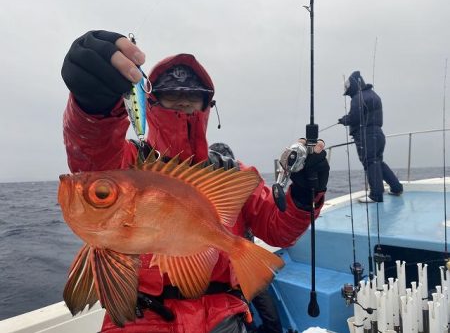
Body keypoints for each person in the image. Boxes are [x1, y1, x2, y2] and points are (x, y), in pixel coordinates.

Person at [60, 30, 330, 333]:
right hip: (141, 318)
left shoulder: (231, 174)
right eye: (171, 94)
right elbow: (92, 150)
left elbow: (278, 228)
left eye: (193, 95)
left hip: (221, 315)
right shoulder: (127, 168)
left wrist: (307, 192)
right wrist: (92, 106)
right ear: (150, 102)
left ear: (208, 106)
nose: (183, 102)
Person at [209, 142, 283, 333]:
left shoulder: (210, 194)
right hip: (245, 261)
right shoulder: (238, 186)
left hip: (235, 266)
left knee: (243, 305)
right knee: (260, 303)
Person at [338, 71, 403, 203]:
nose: (349, 94)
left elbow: (355, 117)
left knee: (370, 162)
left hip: (366, 136)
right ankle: (396, 188)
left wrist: (344, 120)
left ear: (354, 86)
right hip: (378, 134)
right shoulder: (373, 95)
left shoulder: (358, 97)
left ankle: (376, 195)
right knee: (377, 161)